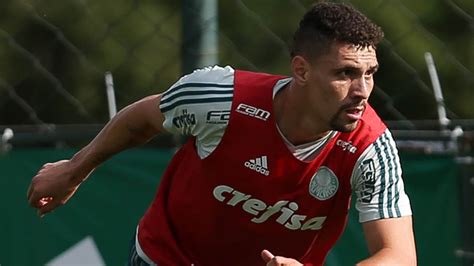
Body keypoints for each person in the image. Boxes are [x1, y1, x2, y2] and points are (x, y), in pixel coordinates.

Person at [27, 2, 417, 265]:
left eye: (369, 73)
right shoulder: (218, 97)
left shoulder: (370, 147)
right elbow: (142, 119)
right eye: (345, 73)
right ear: (301, 70)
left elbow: (398, 255)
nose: (363, 90)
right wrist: (73, 170)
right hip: (168, 257)